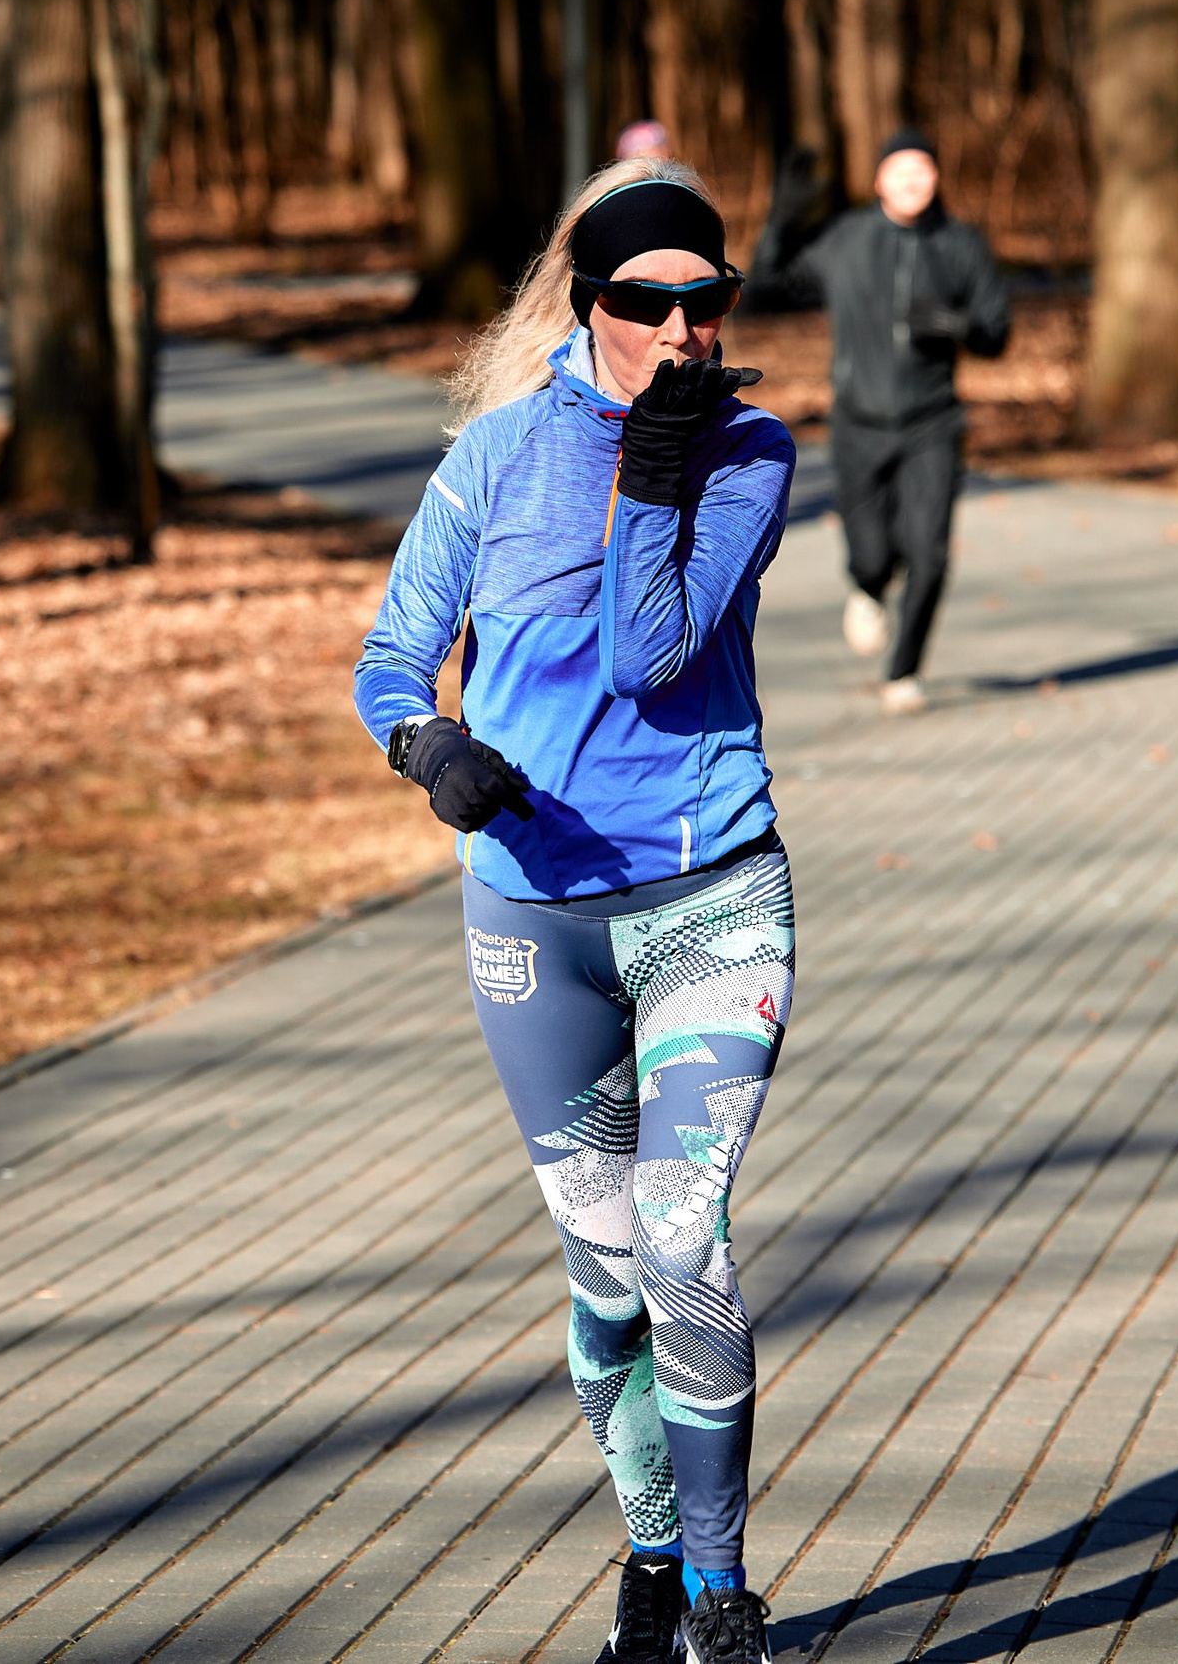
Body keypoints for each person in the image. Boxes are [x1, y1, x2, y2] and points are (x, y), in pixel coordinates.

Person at [354, 159, 795, 1664]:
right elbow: (390, 653)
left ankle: (726, 1596)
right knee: (606, 1287)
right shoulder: (490, 458)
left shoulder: (747, 447)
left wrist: (662, 465)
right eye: (643, 300)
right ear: (587, 302)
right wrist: (431, 749)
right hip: (533, 918)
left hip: (709, 899)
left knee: (685, 1238)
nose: (679, 328)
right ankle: (655, 1557)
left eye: (704, 299)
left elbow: (653, 652)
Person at [748, 128, 1010, 715]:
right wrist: (782, 219)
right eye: (900, 169)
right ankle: (868, 587)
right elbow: (768, 287)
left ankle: (905, 672)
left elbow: (997, 331)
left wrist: (956, 324)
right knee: (871, 556)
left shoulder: (962, 246)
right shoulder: (848, 239)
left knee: (931, 553)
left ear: (937, 177)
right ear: (879, 181)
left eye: (923, 169)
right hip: (859, 422)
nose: (913, 180)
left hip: (932, 422)